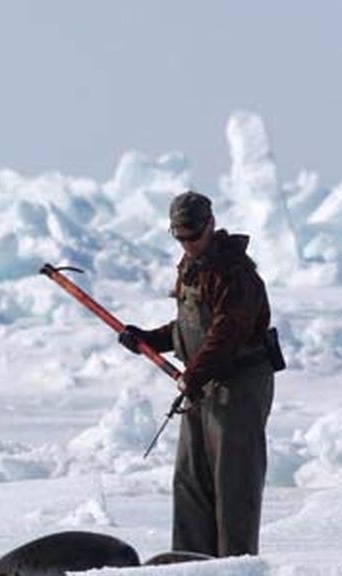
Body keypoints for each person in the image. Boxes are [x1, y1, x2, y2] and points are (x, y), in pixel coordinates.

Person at [118, 190, 276, 558]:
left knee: (233, 485)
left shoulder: (235, 274)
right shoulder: (191, 267)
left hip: (237, 389)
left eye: (193, 235)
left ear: (211, 225)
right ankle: (190, 565)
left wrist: (194, 374)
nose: (188, 244)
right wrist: (149, 340)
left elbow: (226, 334)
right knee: (190, 480)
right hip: (200, 385)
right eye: (180, 237)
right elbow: (189, 326)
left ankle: (234, 566)